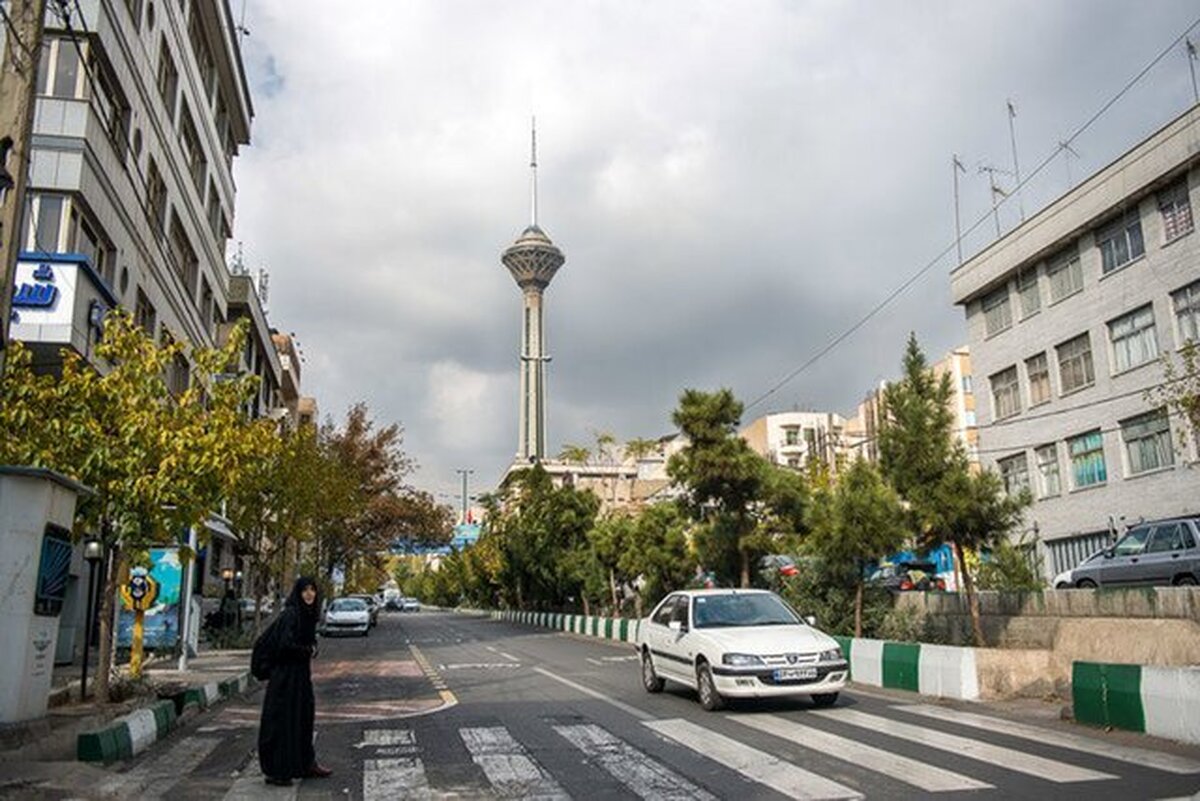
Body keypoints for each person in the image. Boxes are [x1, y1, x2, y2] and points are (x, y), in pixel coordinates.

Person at [257, 576, 332, 786]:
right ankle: (278, 771)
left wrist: (310, 647)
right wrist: (307, 650)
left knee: (303, 718)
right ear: (298, 593)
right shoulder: (291, 614)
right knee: (283, 722)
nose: (309, 594)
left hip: (299, 676)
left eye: (312, 590)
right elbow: (284, 645)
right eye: (305, 590)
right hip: (285, 677)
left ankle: (306, 764)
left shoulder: (307, 615)